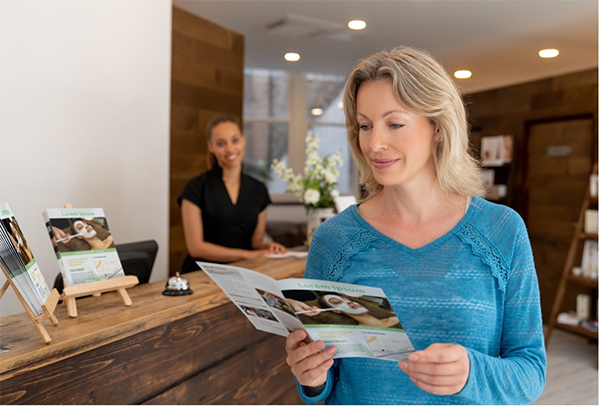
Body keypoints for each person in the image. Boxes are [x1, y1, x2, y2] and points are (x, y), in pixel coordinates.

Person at [284, 46, 546, 405]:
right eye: (365, 125)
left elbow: (530, 373)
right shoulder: (334, 240)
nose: (375, 143)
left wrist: (473, 372)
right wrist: (311, 378)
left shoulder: (503, 231)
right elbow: (325, 382)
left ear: (437, 127)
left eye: (394, 123)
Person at [178, 114, 287, 273]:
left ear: (243, 141)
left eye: (235, 140)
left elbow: (256, 241)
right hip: (202, 275)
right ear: (211, 146)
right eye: (221, 143)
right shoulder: (195, 187)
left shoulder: (259, 189)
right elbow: (196, 248)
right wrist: (249, 255)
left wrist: (268, 247)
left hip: (246, 273)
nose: (230, 149)